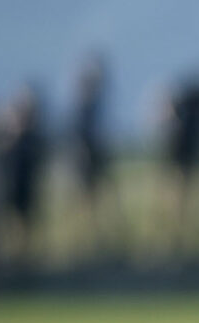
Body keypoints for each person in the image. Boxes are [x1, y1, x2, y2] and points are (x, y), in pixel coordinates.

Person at [158, 71, 199, 260]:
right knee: (180, 196)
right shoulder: (193, 104)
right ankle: (177, 236)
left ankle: (189, 235)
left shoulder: (190, 103)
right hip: (183, 153)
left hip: (188, 153)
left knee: (189, 196)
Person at [68, 52, 123, 259]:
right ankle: (84, 244)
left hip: (97, 155)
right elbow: (79, 136)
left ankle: (104, 240)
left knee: (102, 200)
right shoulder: (83, 107)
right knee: (84, 202)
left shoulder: (97, 105)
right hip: (86, 157)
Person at [0, 83, 46, 267]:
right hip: (7, 184)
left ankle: (23, 257)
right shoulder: (6, 137)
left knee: (24, 221)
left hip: (25, 185)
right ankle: (2, 256)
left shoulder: (32, 137)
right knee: (3, 221)